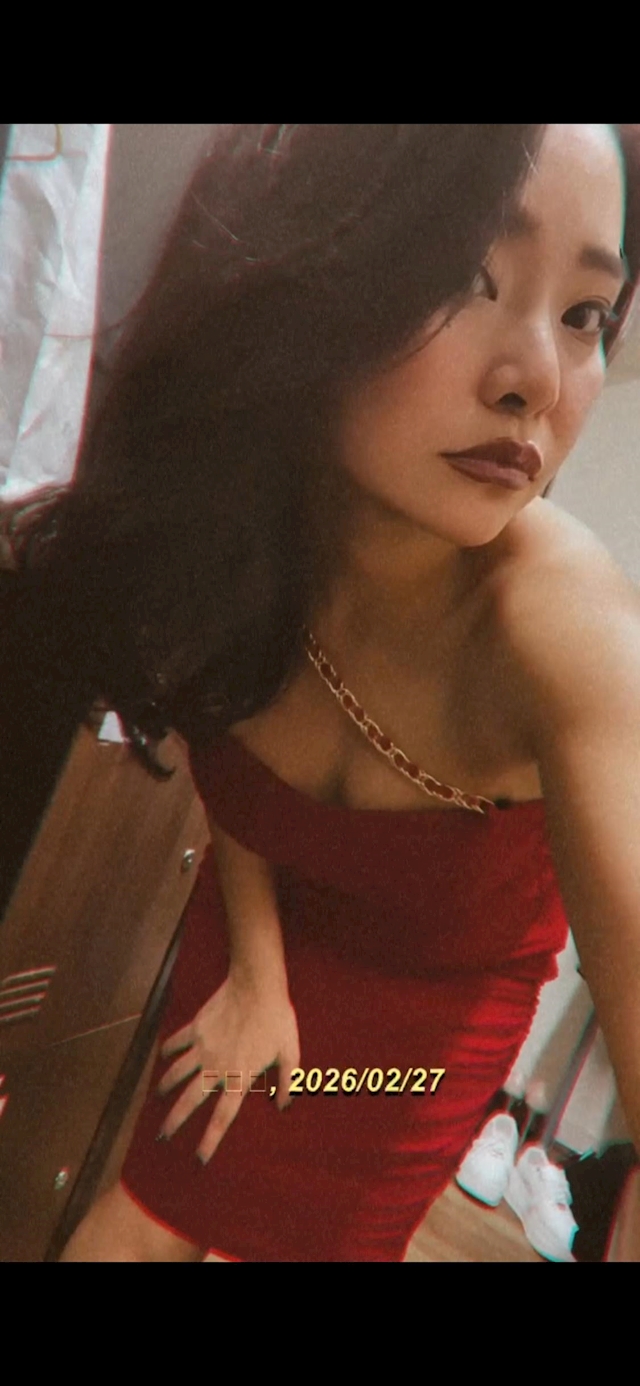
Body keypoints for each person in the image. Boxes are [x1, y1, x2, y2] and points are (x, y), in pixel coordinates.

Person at [8, 125, 640, 1262]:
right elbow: (235, 765)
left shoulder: (560, 623)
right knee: (143, 1216)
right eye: (467, 278)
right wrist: (257, 977)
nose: (536, 380)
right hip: (258, 927)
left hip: (418, 1034)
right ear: (322, 265)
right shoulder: (225, 543)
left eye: (585, 314)